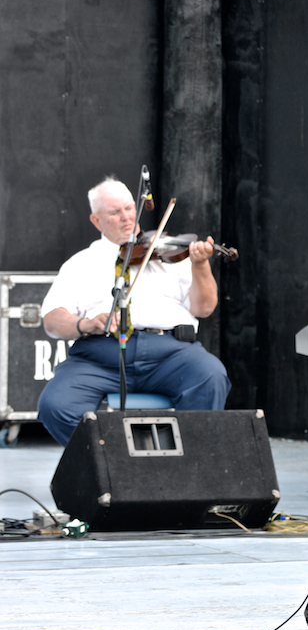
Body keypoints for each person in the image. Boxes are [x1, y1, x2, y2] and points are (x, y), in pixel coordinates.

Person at [38, 178, 231, 446]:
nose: (127, 217)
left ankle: (187, 470)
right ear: (96, 221)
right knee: (55, 404)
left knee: (211, 376)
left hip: (171, 353)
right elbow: (52, 320)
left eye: (130, 208)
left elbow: (205, 308)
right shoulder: (80, 263)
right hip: (99, 358)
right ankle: (113, 464)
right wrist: (86, 324)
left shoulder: (171, 253)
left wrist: (200, 265)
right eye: (115, 212)